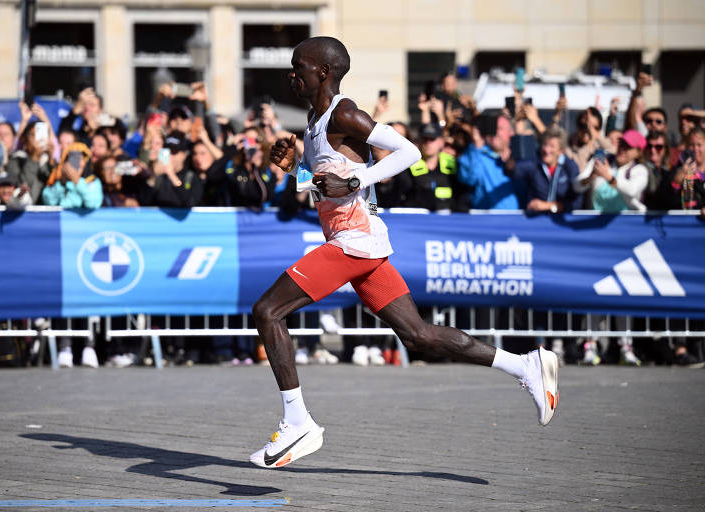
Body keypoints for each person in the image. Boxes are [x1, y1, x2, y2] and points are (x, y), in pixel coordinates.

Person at [249, 37, 560, 470]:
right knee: (419, 337)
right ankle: (525, 365)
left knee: (267, 311)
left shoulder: (343, 112)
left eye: (298, 65)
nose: (291, 73)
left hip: (352, 243)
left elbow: (408, 153)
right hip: (361, 241)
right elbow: (330, 185)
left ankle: (298, 421)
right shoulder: (314, 119)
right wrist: (294, 172)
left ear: (323, 71)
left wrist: (357, 183)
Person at [573, 129, 649, 212]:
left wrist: (609, 177)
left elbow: (631, 190)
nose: (622, 149)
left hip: (626, 222)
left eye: (628, 147)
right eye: (621, 144)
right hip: (596, 221)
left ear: (638, 152)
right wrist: (590, 178)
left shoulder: (640, 170)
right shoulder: (600, 160)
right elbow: (576, 186)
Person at [514, 126, 582, 213]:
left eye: (552, 146)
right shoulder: (534, 162)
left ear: (561, 151)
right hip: (535, 220)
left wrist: (549, 206)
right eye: (545, 145)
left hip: (562, 220)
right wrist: (509, 161)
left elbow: (576, 203)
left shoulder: (569, 166)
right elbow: (514, 170)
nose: (546, 150)